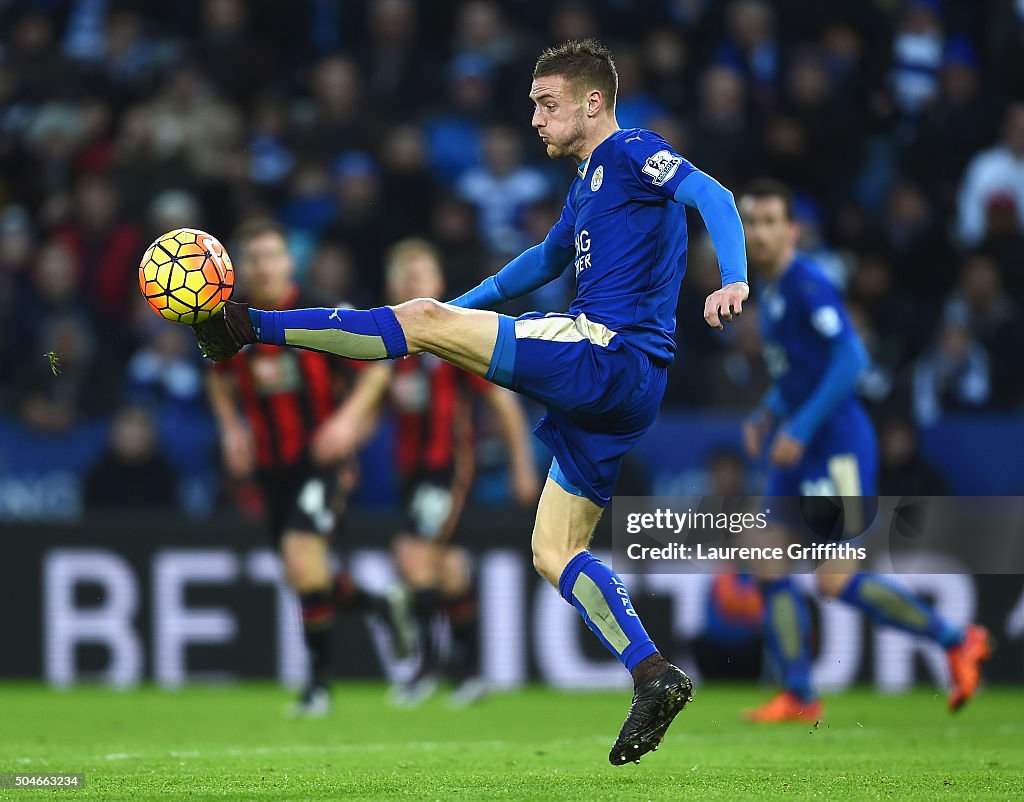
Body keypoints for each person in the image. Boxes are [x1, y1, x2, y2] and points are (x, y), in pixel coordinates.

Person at [193, 39, 749, 764]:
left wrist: (732, 277)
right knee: (554, 552)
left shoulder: (632, 148)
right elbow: (543, 261)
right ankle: (653, 673)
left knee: (419, 322)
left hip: (603, 351)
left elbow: (716, 195)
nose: (536, 119)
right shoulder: (587, 185)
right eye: (531, 107)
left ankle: (248, 326)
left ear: (592, 102)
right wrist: (448, 314)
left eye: (546, 105)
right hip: (630, 393)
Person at [739, 178, 992, 723]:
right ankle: (800, 695)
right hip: (802, 443)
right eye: (748, 222)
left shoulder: (807, 283)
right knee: (766, 555)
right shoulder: (774, 288)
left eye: (766, 222)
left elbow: (851, 359)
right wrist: (768, 410)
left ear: (791, 231)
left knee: (834, 580)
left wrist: (800, 427)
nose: (756, 233)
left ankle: (957, 637)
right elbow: (799, 372)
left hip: (836, 446)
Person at [314, 238, 539, 707]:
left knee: (411, 556)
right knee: (447, 567)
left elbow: (502, 402)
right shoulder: (391, 344)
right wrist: (347, 447)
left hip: (448, 467)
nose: (414, 283)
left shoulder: (451, 334)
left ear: (438, 283)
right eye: (406, 275)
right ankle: (471, 672)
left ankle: (427, 668)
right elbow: (374, 409)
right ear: (394, 284)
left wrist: (522, 466)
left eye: (423, 274)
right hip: (410, 471)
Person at [206, 218, 414, 717]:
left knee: (302, 558)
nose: (263, 266)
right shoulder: (231, 319)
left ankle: (318, 687)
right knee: (306, 575)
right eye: (253, 257)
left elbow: (374, 372)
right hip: (270, 466)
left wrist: (345, 424)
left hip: (323, 462)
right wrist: (230, 428)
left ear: (289, 261)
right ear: (241, 266)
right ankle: (380, 605)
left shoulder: (318, 313)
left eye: (272, 255)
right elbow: (217, 375)